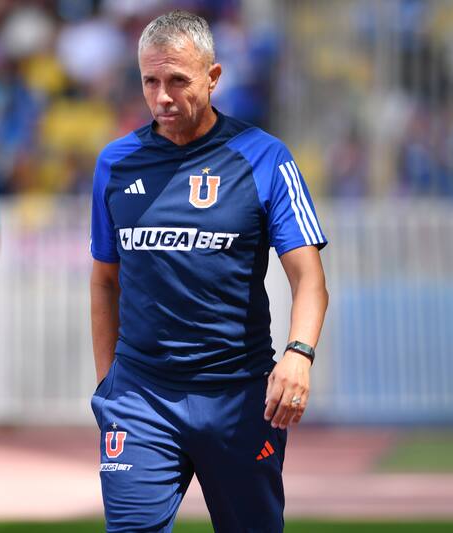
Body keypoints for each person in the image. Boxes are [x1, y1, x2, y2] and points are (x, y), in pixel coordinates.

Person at [89, 10, 328, 532]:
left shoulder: (265, 158)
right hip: (141, 398)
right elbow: (105, 279)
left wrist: (299, 353)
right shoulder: (115, 163)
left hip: (239, 397)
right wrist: (108, 384)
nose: (163, 97)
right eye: (151, 81)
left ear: (213, 77)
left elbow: (309, 278)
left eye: (178, 80)